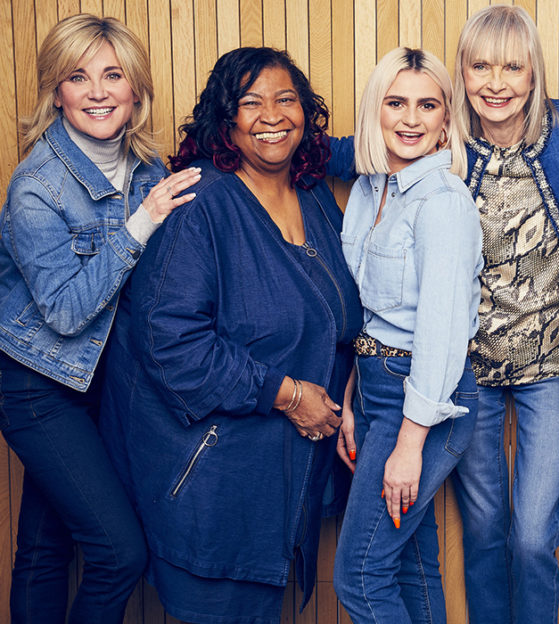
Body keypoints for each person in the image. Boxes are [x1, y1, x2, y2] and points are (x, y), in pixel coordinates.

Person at [98, 46, 361, 623]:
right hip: (210, 488)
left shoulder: (313, 195)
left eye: (286, 99)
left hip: (278, 487)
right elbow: (171, 345)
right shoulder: (199, 204)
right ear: (227, 119)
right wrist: (288, 394)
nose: (272, 114)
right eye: (251, 102)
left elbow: (340, 320)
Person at [0, 14, 199, 623]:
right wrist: (142, 225)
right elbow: (63, 312)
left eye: (113, 75)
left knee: (44, 544)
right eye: (77, 77)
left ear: (135, 89)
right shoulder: (36, 187)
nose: (97, 91)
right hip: (41, 387)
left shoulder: (146, 171)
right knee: (118, 555)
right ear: (55, 91)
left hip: (107, 384)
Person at [449, 7, 559, 622]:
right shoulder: (443, 139)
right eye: (480, 65)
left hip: (556, 365)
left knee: (534, 535)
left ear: (534, 70)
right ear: (461, 72)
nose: (496, 82)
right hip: (470, 370)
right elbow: (358, 147)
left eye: (512, 66)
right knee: (485, 530)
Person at [332, 47, 482, 624]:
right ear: (377, 110)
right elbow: (367, 314)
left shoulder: (443, 203)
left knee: (361, 579)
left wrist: (409, 443)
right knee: (410, 564)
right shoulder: (371, 189)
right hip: (372, 387)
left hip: (425, 401)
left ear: (447, 119)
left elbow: (442, 334)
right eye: (396, 103)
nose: (411, 119)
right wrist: (350, 399)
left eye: (428, 105)